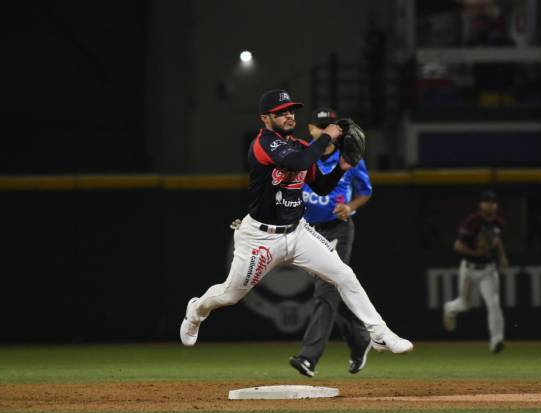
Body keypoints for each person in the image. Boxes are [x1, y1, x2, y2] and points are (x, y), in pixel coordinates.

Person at [179, 90, 413, 358]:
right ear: (265, 118)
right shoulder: (263, 144)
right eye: (281, 112)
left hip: (298, 231)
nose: (289, 115)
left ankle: (380, 333)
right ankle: (197, 310)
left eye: (291, 110)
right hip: (260, 238)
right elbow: (296, 161)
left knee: (344, 275)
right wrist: (327, 136)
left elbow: (322, 187)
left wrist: (342, 167)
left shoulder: (301, 145)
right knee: (229, 296)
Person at [288, 108, 374, 378]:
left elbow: (365, 192)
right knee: (331, 292)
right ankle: (360, 339)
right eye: (319, 125)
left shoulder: (348, 158)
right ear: (311, 129)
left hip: (338, 230)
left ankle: (308, 358)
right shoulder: (305, 157)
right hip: (310, 232)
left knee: (326, 290)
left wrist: (350, 206)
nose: (324, 130)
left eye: (329, 126)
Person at [442, 190, 508, 353]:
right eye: (486, 202)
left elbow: (496, 240)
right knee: (465, 304)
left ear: (496, 205)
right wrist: (475, 253)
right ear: (481, 205)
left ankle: (496, 340)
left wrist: (502, 257)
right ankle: (450, 308)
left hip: (488, 270)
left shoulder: (498, 223)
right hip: (470, 268)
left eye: (492, 202)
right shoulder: (473, 222)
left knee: (493, 304)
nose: (489, 205)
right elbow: (457, 245)